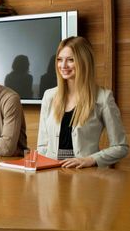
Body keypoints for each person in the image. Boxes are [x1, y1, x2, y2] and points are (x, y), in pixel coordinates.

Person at [37, 36, 129, 168]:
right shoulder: (49, 95)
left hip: (86, 175)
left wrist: (90, 160)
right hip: (51, 174)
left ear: (84, 62)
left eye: (70, 60)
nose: (63, 66)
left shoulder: (103, 97)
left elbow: (121, 147)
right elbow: (42, 145)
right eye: (59, 60)